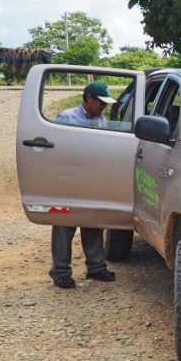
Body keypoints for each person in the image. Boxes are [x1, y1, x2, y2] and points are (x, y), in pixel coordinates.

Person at [49, 81, 118, 288]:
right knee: (63, 226)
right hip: (69, 180)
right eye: (100, 102)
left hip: (92, 180)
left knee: (93, 223)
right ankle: (61, 273)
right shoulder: (67, 117)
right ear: (88, 98)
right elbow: (56, 150)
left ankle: (96, 268)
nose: (103, 107)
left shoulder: (101, 119)